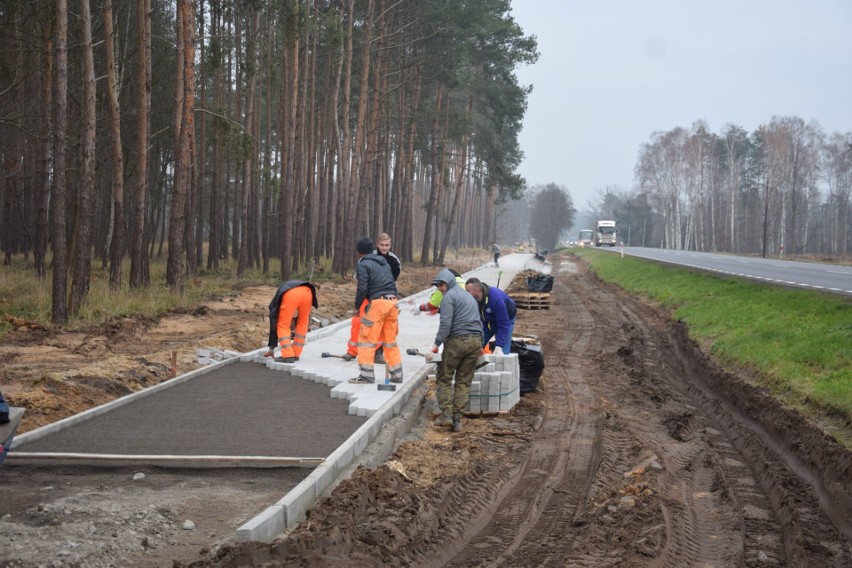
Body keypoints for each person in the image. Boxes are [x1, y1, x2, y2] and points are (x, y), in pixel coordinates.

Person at [430, 268, 482, 432]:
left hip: (457, 341)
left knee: (444, 376)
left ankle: (447, 414)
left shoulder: (448, 298)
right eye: (438, 286)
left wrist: (436, 344)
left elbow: (446, 324)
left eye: (441, 285)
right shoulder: (468, 296)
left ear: (448, 283)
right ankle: (457, 420)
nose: (440, 288)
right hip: (475, 342)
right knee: (463, 381)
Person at [348, 236, 403, 385]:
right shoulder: (383, 262)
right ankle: (397, 375)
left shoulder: (363, 264)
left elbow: (362, 288)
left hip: (378, 303)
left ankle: (366, 376)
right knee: (390, 341)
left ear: (359, 252)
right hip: (393, 302)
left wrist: (357, 307)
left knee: (366, 340)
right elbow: (392, 281)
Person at [265, 280, 318, 363]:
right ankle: (296, 354)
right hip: (308, 292)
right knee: (303, 323)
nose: (292, 329)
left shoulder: (275, 307)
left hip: (292, 294)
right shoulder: (277, 303)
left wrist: (271, 349)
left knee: (282, 325)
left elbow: (273, 324)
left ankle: (288, 355)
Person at [464, 277, 517, 355]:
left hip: (506, 318)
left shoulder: (495, 300)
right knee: (476, 348)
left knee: (502, 352)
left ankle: (503, 359)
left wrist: (499, 346)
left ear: (477, 290)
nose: (466, 293)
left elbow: (503, 325)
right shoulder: (473, 300)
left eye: (468, 291)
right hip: (487, 321)